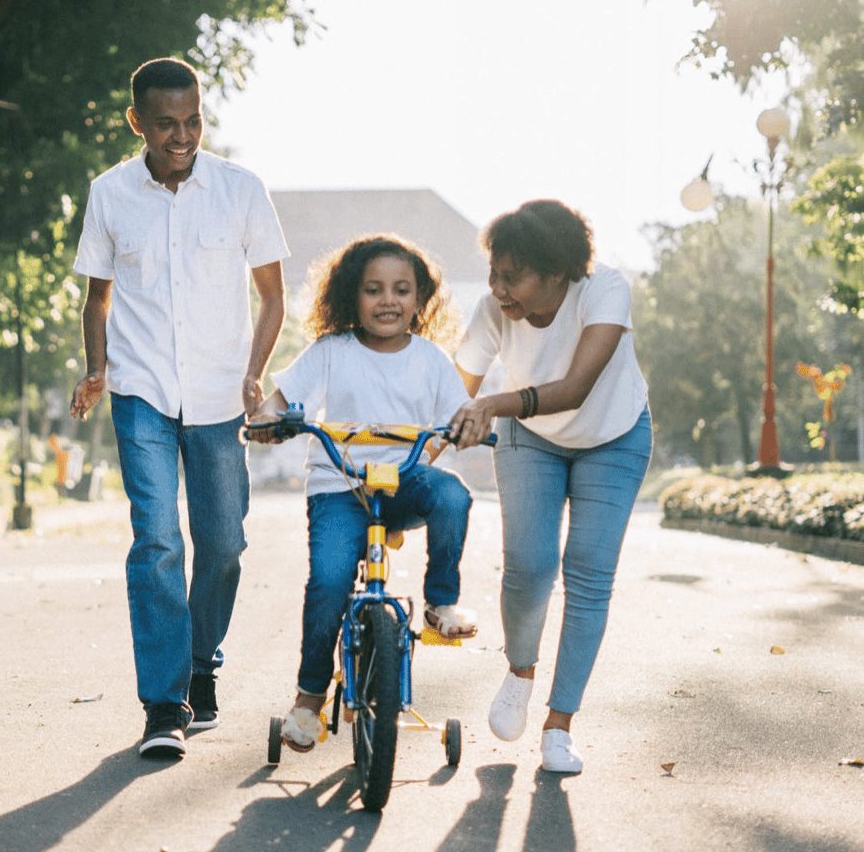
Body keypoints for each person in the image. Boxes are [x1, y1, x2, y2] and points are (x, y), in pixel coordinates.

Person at [69, 57, 289, 760]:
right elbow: (97, 297)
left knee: (223, 544)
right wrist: (98, 369)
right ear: (138, 122)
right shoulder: (109, 194)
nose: (182, 135)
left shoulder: (241, 189)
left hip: (221, 394)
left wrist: (255, 374)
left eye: (193, 120)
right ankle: (164, 704)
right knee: (158, 540)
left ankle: (201, 665)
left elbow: (272, 296)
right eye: (166, 124)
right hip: (141, 393)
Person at [247, 235, 476, 752]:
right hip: (340, 486)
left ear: (420, 300)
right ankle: (308, 699)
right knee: (328, 582)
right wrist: (268, 418)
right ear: (352, 296)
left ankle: (441, 603)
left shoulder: (432, 359)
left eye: (401, 290)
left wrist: (469, 426)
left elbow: (459, 413)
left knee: (453, 496)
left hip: (402, 482)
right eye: (373, 290)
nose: (388, 301)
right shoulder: (331, 352)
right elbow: (283, 399)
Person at [447, 199, 652, 775]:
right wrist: (419, 449)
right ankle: (519, 671)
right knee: (530, 565)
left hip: (613, 435)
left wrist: (492, 403)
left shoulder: (603, 291)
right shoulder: (494, 311)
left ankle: (560, 725)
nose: (498, 288)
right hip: (530, 439)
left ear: (557, 272)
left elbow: (577, 387)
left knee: (588, 571)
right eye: (494, 273)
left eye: (512, 276)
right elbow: (452, 392)